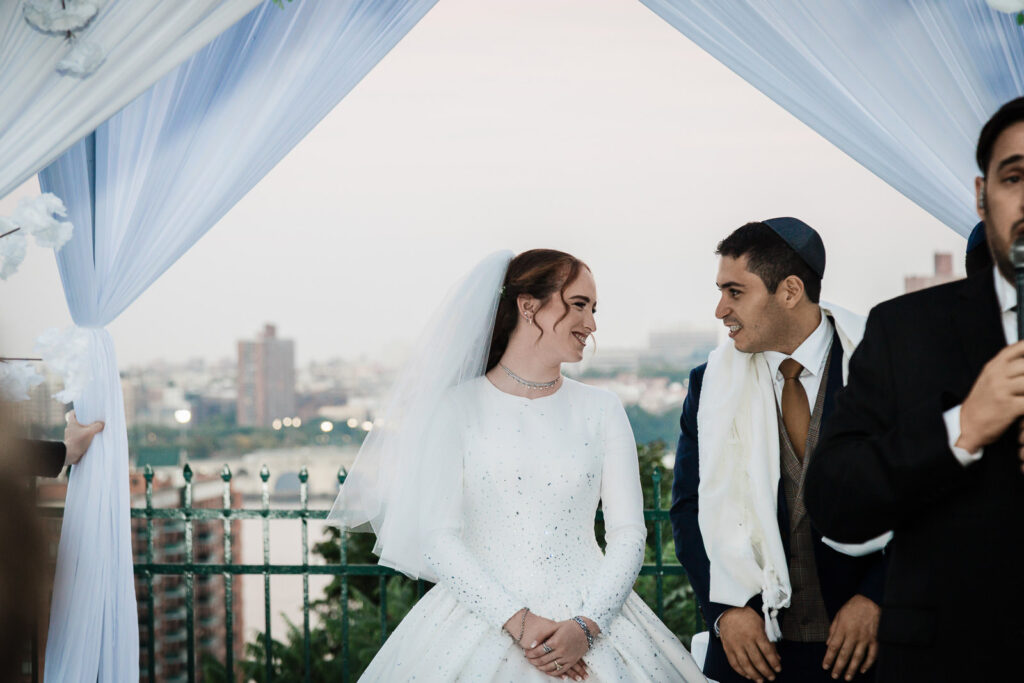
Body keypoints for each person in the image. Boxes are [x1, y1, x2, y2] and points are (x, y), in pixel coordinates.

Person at [327, 250, 705, 681]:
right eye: (579, 304)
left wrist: (587, 626)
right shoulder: (456, 409)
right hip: (481, 617)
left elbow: (628, 534)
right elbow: (438, 537)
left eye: (593, 309)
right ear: (529, 306)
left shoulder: (602, 409)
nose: (592, 324)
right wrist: (518, 621)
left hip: (594, 620)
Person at [805, 97, 1024, 682]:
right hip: (945, 662)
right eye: (1016, 177)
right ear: (983, 196)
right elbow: (834, 502)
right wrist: (962, 429)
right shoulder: (904, 330)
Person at [671, 220, 887, 683]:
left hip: (872, 653)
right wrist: (726, 611)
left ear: (790, 291)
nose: (719, 309)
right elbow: (688, 508)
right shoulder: (708, 385)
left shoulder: (882, 368)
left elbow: (930, 495)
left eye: (734, 292)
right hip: (756, 661)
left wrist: (877, 597)